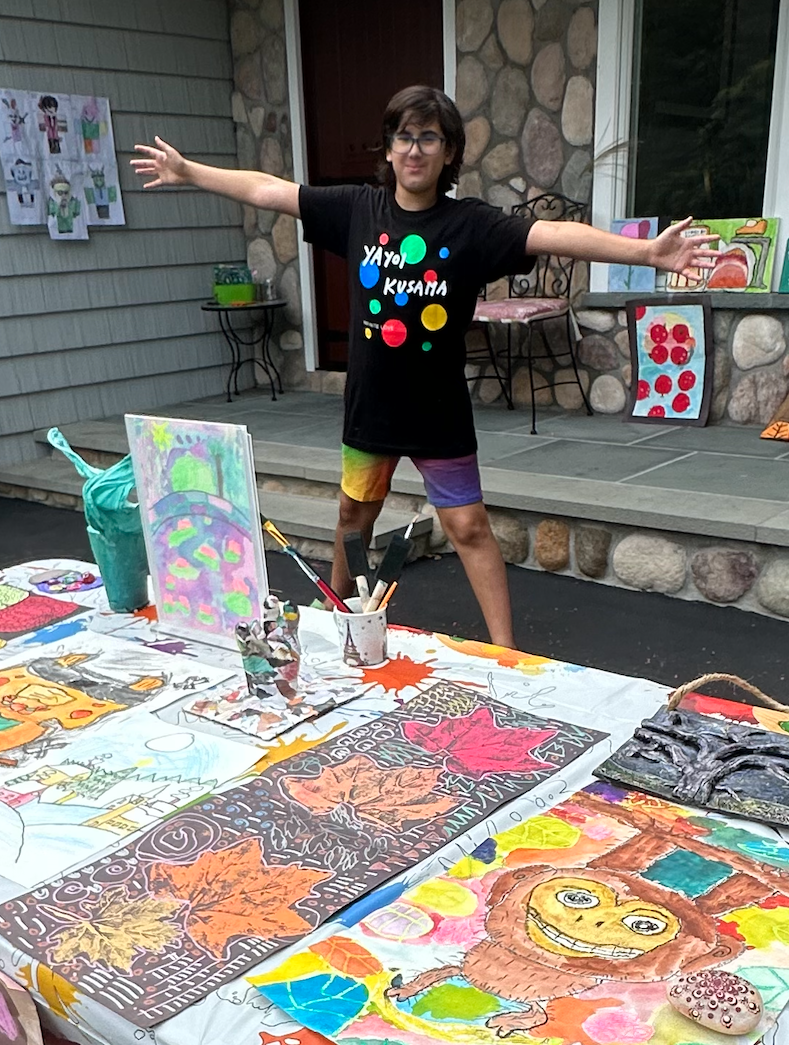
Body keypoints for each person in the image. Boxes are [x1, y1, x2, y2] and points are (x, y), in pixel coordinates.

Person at [133, 85, 714, 649]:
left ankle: (508, 653)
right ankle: (334, 623)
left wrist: (645, 252)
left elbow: (555, 233)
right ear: (388, 149)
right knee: (352, 518)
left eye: (429, 138)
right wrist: (191, 173)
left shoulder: (472, 226)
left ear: (449, 152)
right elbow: (269, 190)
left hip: (438, 412)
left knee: (468, 528)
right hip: (371, 408)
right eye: (404, 137)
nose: (415, 149)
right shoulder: (359, 209)